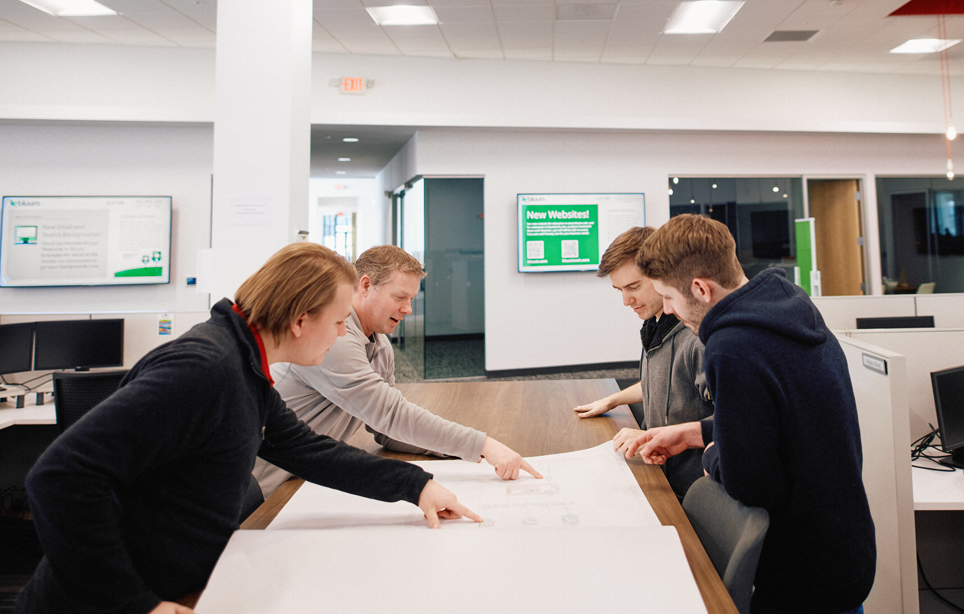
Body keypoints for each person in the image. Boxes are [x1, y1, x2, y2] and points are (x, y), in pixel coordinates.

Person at [17, 243, 480, 614]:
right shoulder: (204, 367)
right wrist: (133, 602)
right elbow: (59, 478)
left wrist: (415, 485)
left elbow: (303, 448)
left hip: (180, 581)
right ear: (301, 321)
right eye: (339, 322)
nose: (344, 335)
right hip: (102, 597)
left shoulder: (246, 365)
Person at [629, 214, 875, 614]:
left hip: (801, 570)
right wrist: (697, 432)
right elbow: (785, 419)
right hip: (843, 544)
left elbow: (753, 482)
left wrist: (711, 456)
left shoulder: (732, 346)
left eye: (669, 298)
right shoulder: (786, 307)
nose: (670, 312)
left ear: (700, 289)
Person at [253, 245, 538, 498]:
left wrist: (460, 451)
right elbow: (390, 413)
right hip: (268, 487)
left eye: (412, 299)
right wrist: (481, 444)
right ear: (365, 285)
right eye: (400, 297)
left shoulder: (380, 345)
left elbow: (386, 431)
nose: (409, 310)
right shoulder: (334, 340)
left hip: (311, 479)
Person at [572, 227, 713, 498]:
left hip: (691, 492)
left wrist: (659, 435)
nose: (626, 301)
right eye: (619, 290)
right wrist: (614, 400)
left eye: (633, 287)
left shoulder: (698, 338)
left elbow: (733, 423)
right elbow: (666, 381)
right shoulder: (655, 325)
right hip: (660, 474)